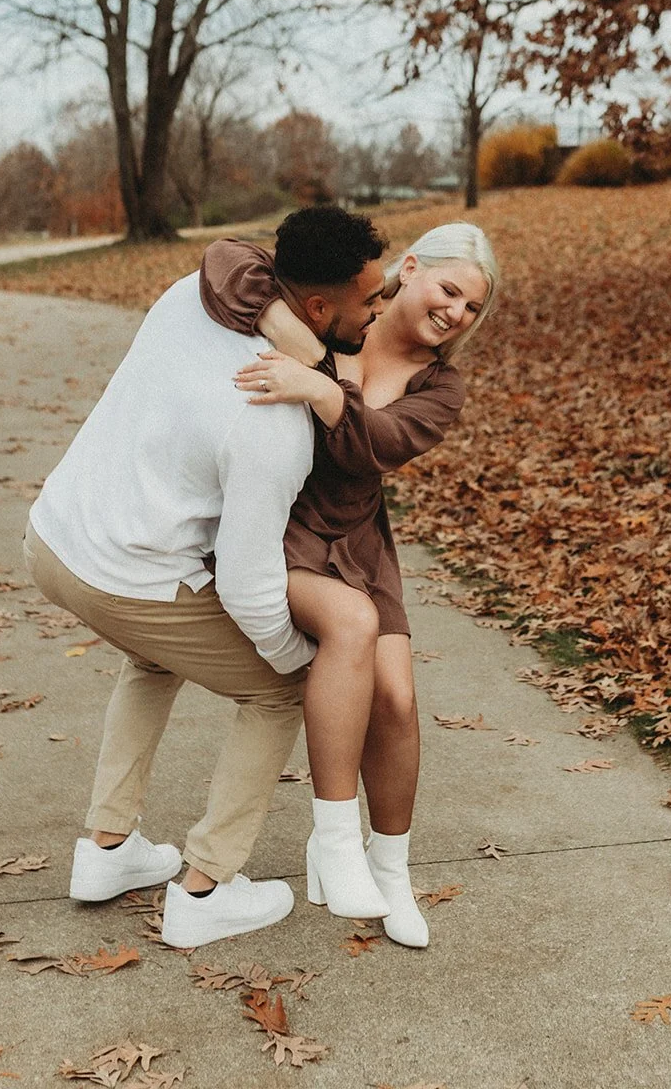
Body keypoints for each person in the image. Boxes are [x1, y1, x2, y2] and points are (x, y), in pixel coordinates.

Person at [23, 205, 388, 948]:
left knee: (151, 657)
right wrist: (296, 662)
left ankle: (107, 850)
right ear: (318, 307)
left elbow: (227, 258)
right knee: (280, 689)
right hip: (123, 572)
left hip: (52, 534)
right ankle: (206, 887)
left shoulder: (188, 295)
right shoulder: (272, 421)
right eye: (369, 301)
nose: (379, 312)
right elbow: (248, 589)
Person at [199, 221, 498, 948]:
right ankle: (332, 838)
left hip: (359, 538)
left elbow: (379, 447)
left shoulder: (440, 385)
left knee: (396, 697)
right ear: (413, 266)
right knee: (350, 632)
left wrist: (319, 391)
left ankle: (388, 867)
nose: (455, 313)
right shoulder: (339, 314)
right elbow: (226, 259)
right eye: (449, 290)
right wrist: (302, 350)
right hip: (280, 527)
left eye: (471, 308)